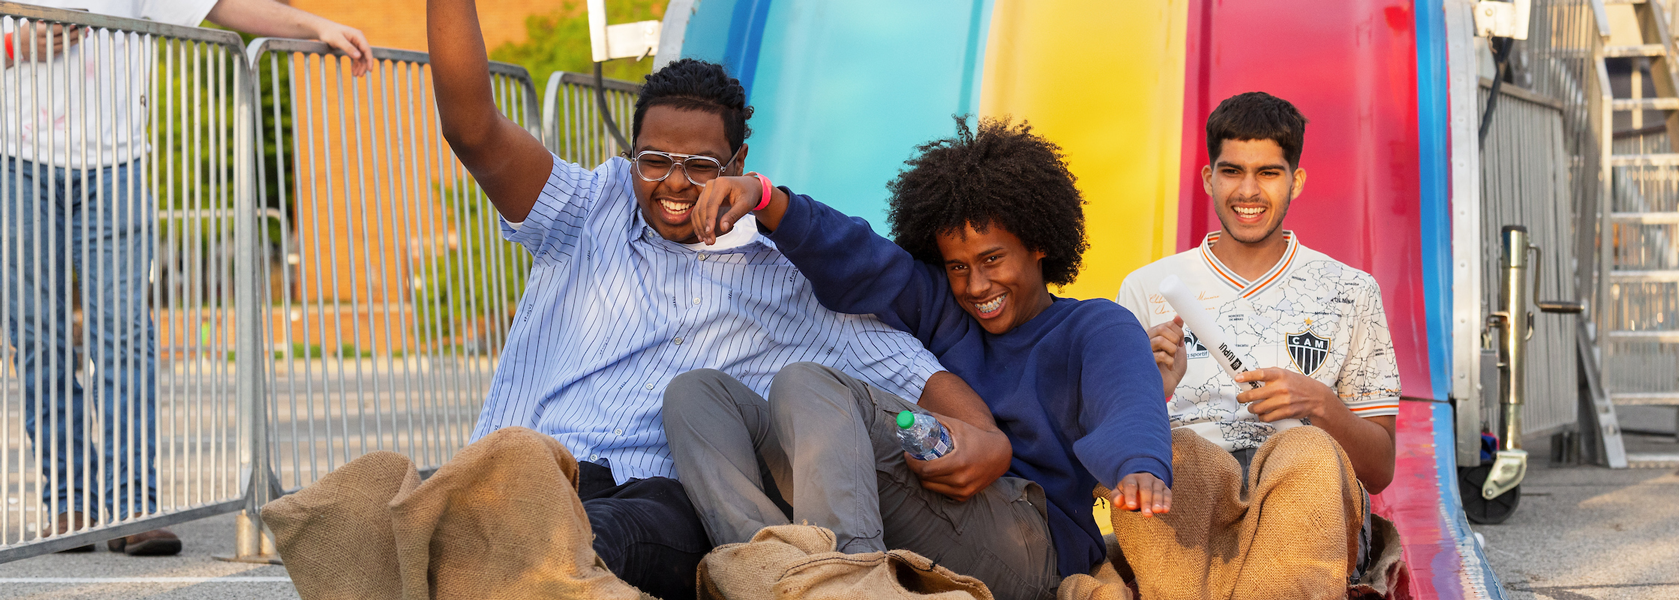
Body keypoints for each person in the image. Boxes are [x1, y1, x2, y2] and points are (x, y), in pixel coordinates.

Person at [425, 3, 992, 598]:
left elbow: (919, 378)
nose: (673, 182)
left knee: (583, 544)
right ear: (631, 153)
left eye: (699, 167)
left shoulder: (785, 278)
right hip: (530, 476)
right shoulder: (589, 208)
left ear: (737, 164)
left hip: (654, 504)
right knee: (406, 516)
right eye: (653, 161)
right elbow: (471, 129)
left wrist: (986, 439)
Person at [668, 117, 1175, 600]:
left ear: (1039, 244)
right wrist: (766, 199)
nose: (977, 286)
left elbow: (1127, 394)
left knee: (804, 384)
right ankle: (765, 574)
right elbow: (860, 258)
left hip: (1029, 544)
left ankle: (849, 587)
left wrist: (1138, 463)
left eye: (992, 259)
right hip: (931, 506)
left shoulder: (1092, 325)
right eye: (958, 267)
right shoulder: (946, 309)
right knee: (696, 395)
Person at [2, 0, 374, 556]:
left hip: (116, 163)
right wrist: (14, 45)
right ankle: (70, 506)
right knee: (39, 336)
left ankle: (133, 504)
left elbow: (221, 3)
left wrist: (317, 24)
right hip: (19, 162)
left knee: (125, 333)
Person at [1114, 91, 1400, 592]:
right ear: (1209, 178)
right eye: (1232, 172)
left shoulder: (1351, 291)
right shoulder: (1146, 289)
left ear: (1296, 181)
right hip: (1195, 516)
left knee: (1306, 452)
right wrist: (1154, 391)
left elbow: (1379, 471)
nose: (1248, 191)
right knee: (1178, 457)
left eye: (1268, 172)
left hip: (1306, 509)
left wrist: (1321, 404)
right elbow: (1112, 447)